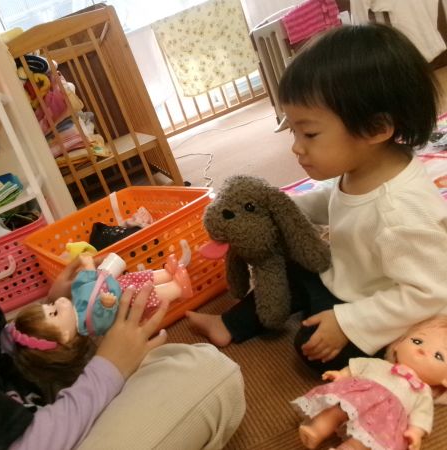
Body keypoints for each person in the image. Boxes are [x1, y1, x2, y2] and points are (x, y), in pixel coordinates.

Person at [0, 4, 245, 449]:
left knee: (165, 360)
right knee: (208, 373)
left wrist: (53, 304)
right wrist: (109, 367)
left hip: (16, 408)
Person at [186, 23, 447, 373]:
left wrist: (348, 322)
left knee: (311, 347)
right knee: (289, 260)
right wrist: (283, 210)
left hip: (387, 311)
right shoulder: (362, 169)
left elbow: (429, 292)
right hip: (348, 279)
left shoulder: (400, 211)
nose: (296, 147)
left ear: (376, 128)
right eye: (293, 131)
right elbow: (337, 202)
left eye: (309, 133)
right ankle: (229, 324)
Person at [10, 252, 193, 400]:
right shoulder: (87, 323)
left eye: (50, 305)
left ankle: (166, 273)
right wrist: (106, 305)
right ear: (64, 335)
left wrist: (90, 269)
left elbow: (84, 286)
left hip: (115, 284)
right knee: (142, 294)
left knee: (136, 278)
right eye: (55, 313)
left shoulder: (74, 307)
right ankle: (177, 288)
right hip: (121, 296)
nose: (59, 302)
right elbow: (102, 318)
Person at [292, 316, 447, 450]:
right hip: (360, 397)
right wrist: (342, 374)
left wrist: (415, 432)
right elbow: (359, 366)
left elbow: (422, 414)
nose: (423, 350)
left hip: (385, 420)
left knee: (365, 441)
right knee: (337, 410)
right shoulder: (383, 365)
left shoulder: (423, 392)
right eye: (417, 341)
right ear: (399, 344)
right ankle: (317, 430)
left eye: (438, 356)